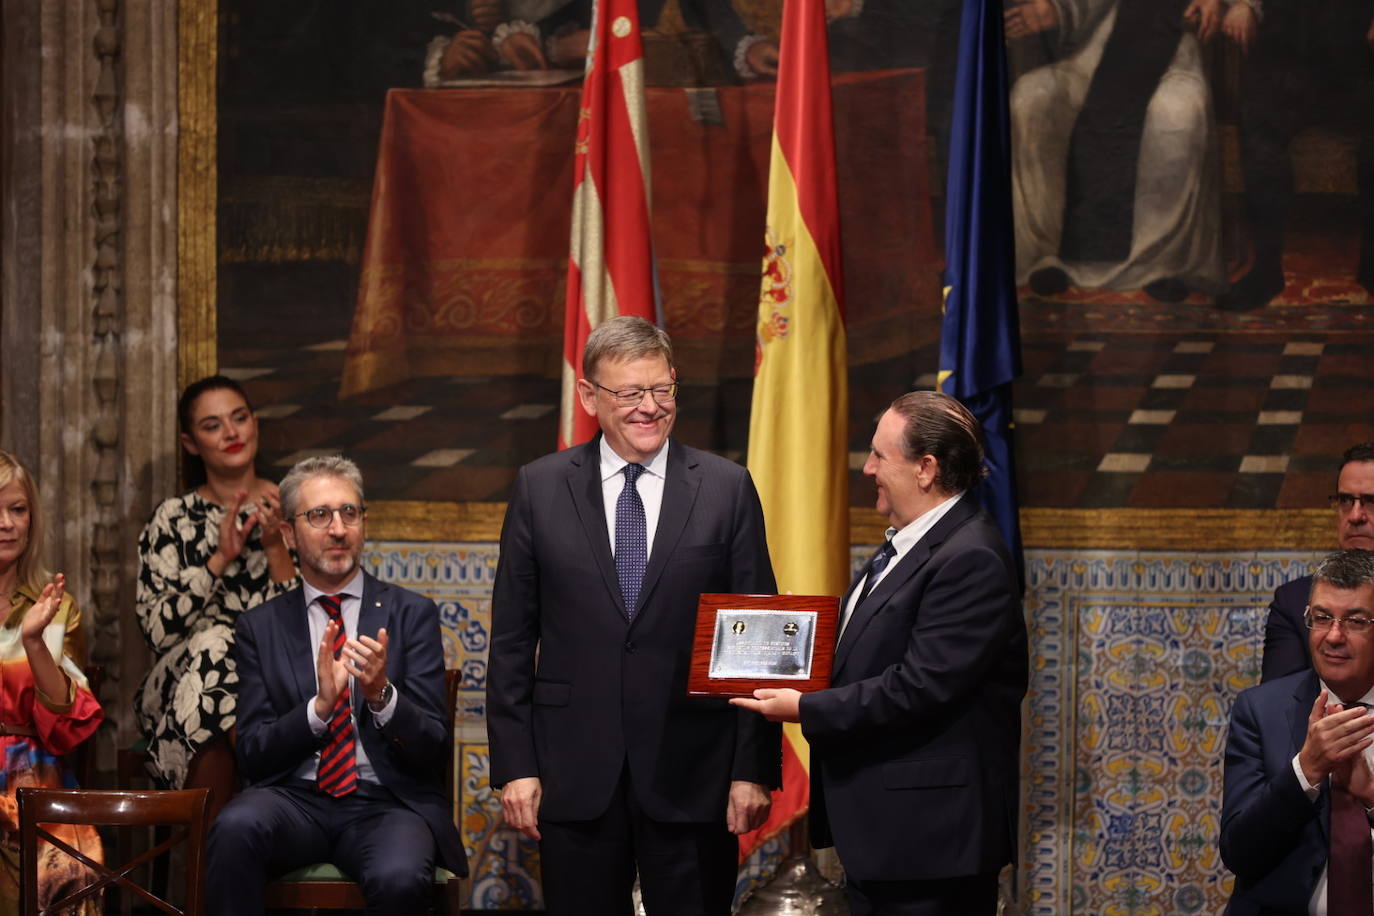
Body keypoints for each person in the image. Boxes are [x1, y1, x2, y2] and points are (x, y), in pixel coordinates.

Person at [487, 316, 778, 915]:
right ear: (589, 396)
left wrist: (752, 769)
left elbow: (758, 640)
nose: (649, 408)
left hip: (694, 772)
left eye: (661, 390)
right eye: (630, 393)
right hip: (575, 772)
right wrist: (516, 767)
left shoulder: (726, 488)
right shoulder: (539, 488)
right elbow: (513, 641)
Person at [733, 391, 1027, 916]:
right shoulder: (910, 544)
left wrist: (802, 708)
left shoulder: (970, 558)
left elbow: (921, 686)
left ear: (926, 468)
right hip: (892, 837)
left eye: (880, 456)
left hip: (932, 842)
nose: (867, 468)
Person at [205, 455, 465, 915]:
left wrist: (381, 696)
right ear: (288, 534)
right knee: (234, 827)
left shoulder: (410, 614)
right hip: (294, 800)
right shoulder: (259, 627)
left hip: (385, 804)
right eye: (319, 515)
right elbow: (254, 753)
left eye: (350, 513)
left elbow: (433, 747)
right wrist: (319, 709)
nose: (338, 528)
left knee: (400, 876)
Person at [135, 376, 297, 816]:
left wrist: (275, 546)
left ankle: (210, 870)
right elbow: (156, 633)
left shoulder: (295, 511)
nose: (231, 432)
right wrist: (218, 561)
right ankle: (265, 783)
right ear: (191, 443)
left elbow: (306, 628)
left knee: (234, 651)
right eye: (212, 425)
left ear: (255, 425)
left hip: (276, 682)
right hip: (178, 687)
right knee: (219, 643)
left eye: (239, 418)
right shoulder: (172, 519)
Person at [1007, 0, 1230, 302]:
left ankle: (1159, 264)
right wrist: (1058, 10)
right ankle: (1049, 255)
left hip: (1173, 52)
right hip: (1094, 52)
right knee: (1031, 98)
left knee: (1177, 114)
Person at [1220, 548, 1374, 915]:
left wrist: (1371, 797)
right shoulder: (1260, 711)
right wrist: (1305, 771)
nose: (1333, 637)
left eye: (1354, 621)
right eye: (1322, 618)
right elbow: (1239, 852)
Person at [1217, 0, 1374, 310]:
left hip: (1358, 49)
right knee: (1259, 120)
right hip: (1289, 48)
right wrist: (1245, 4)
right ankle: (1266, 268)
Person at [0, 449, 104, 914]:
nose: (6, 523)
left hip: (33, 779)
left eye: (17, 509)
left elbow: (66, 729)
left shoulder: (58, 607)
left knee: (69, 869)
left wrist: (34, 641)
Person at [1262, 443, 1374, 682]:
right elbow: (1277, 709)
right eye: (1346, 501)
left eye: (1371, 501)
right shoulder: (1295, 601)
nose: (1355, 516)